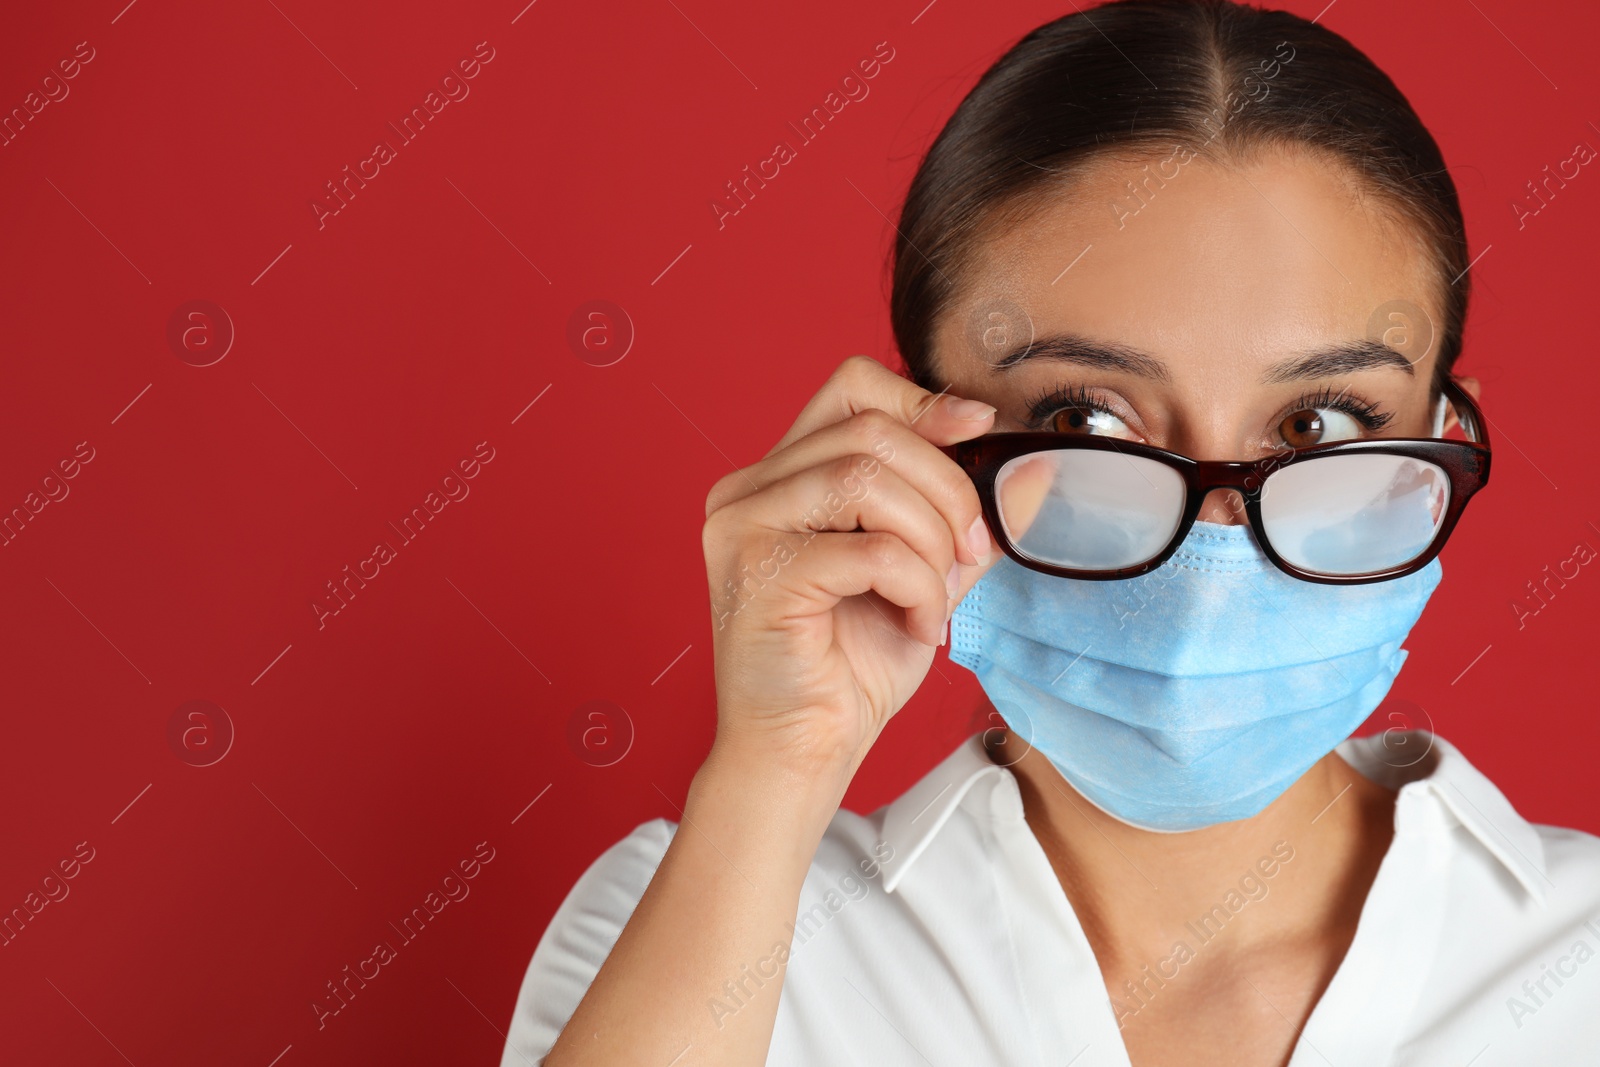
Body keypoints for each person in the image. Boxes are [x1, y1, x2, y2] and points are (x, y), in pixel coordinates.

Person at [503, 2, 1600, 1064]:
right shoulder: (694, 919)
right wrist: (773, 770)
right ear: (912, 442)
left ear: (1438, 443)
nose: (1210, 544)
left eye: (1317, 423)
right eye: (1085, 417)